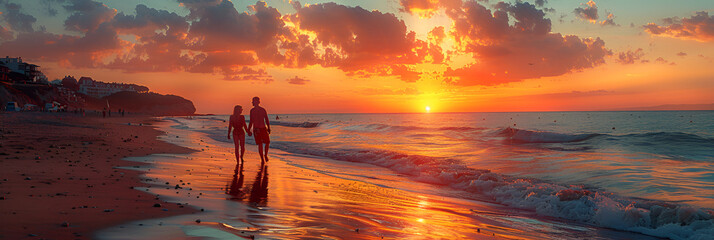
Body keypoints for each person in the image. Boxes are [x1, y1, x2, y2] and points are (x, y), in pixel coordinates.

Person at [248, 97, 271, 162]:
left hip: (263, 128)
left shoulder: (262, 110)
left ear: (258, 102)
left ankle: (265, 155)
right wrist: (248, 129)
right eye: (252, 101)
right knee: (260, 144)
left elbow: (266, 119)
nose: (252, 102)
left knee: (267, 142)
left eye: (254, 101)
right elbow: (251, 121)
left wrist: (269, 127)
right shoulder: (252, 110)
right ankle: (262, 159)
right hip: (256, 129)